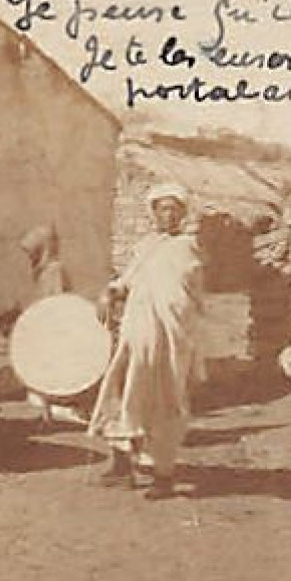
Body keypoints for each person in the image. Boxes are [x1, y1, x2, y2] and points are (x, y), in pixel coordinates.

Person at [87, 183, 205, 500]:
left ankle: (163, 476)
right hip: (136, 336)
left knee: (163, 402)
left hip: (168, 341)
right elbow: (128, 281)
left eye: (174, 209)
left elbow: (190, 296)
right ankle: (121, 467)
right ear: (153, 212)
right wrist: (110, 293)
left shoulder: (186, 248)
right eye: (163, 208)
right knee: (122, 392)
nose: (168, 215)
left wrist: (172, 318)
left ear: (182, 214)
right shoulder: (145, 247)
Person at [19, 225, 67, 303]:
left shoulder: (54, 268)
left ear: (39, 249)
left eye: (31, 251)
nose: (29, 256)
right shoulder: (40, 271)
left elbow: (58, 294)